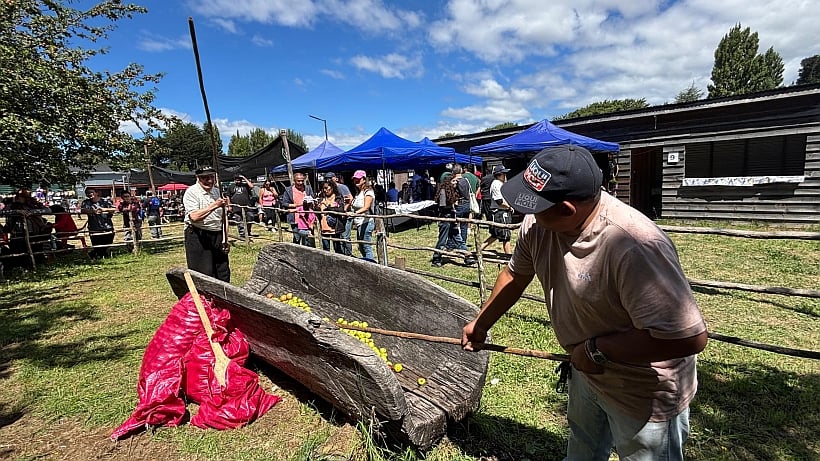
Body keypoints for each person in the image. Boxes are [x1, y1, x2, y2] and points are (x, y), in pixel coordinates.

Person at [461, 145, 708, 461]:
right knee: (583, 450)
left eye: (535, 206)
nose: (527, 214)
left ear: (567, 210)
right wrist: (481, 322)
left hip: (642, 389)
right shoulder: (538, 224)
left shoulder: (633, 245)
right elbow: (515, 274)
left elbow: (687, 337)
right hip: (588, 369)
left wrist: (596, 349)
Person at [183, 167, 230, 282]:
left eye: (211, 177)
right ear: (198, 178)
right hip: (198, 235)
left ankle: (223, 298)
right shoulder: (191, 192)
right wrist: (215, 205)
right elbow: (194, 217)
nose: (209, 181)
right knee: (204, 273)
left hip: (217, 234)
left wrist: (225, 238)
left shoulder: (217, 191)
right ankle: (205, 299)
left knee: (223, 271)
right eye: (205, 178)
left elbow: (224, 218)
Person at [431, 172, 471, 267]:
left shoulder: (452, 191)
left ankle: (467, 257)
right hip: (445, 218)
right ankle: (436, 258)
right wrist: (452, 204)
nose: (455, 183)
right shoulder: (443, 192)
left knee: (458, 238)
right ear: (448, 182)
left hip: (452, 217)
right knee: (442, 240)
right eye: (453, 181)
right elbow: (442, 206)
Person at [480, 165, 512, 255]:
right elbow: (499, 201)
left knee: (495, 234)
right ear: (500, 174)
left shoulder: (500, 183)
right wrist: (509, 207)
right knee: (506, 235)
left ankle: (480, 249)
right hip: (500, 212)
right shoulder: (496, 184)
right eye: (504, 173)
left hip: (500, 211)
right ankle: (508, 256)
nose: (505, 175)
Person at [281, 172, 314, 245]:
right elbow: (284, 203)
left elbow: (312, 199)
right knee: (297, 237)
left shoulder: (307, 188)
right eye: (298, 181)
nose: (301, 182)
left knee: (307, 239)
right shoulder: (289, 190)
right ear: (294, 181)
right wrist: (297, 205)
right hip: (295, 217)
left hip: (307, 217)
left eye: (302, 180)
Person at [81, 189, 116, 259]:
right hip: (94, 227)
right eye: (87, 193)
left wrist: (104, 209)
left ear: (96, 193)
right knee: (96, 244)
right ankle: (101, 255)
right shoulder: (86, 202)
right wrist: (93, 211)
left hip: (107, 226)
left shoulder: (105, 201)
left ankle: (94, 254)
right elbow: (83, 210)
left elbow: (113, 209)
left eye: (91, 192)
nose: (89, 194)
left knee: (108, 242)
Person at [324, 172, 353, 256]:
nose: (328, 179)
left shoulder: (341, 187)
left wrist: (343, 210)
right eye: (326, 178)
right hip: (336, 216)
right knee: (339, 237)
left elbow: (350, 198)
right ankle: (342, 254)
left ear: (335, 178)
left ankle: (348, 254)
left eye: (330, 178)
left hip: (343, 214)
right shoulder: (327, 189)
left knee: (345, 237)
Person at [350, 170, 375, 260]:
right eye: (355, 179)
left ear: (364, 180)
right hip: (360, 223)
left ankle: (371, 265)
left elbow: (366, 207)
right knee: (361, 247)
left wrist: (354, 214)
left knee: (366, 247)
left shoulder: (368, 192)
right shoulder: (359, 192)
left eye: (358, 179)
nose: (356, 181)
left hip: (366, 222)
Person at [226, 174, 257, 239]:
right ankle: (242, 234)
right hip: (236, 207)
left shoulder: (245, 186)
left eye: (239, 180)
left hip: (247, 206)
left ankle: (248, 232)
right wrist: (229, 205)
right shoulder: (231, 187)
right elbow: (228, 196)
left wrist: (244, 177)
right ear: (234, 180)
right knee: (239, 220)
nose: (238, 181)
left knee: (250, 217)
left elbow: (251, 186)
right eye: (236, 180)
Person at [318, 180, 345, 253]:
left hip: (335, 228)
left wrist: (329, 208)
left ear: (332, 188)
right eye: (324, 188)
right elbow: (318, 211)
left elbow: (341, 210)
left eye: (327, 188)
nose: (325, 190)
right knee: (326, 250)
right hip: (324, 228)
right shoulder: (321, 198)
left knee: (338, 249)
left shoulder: (338, 198)